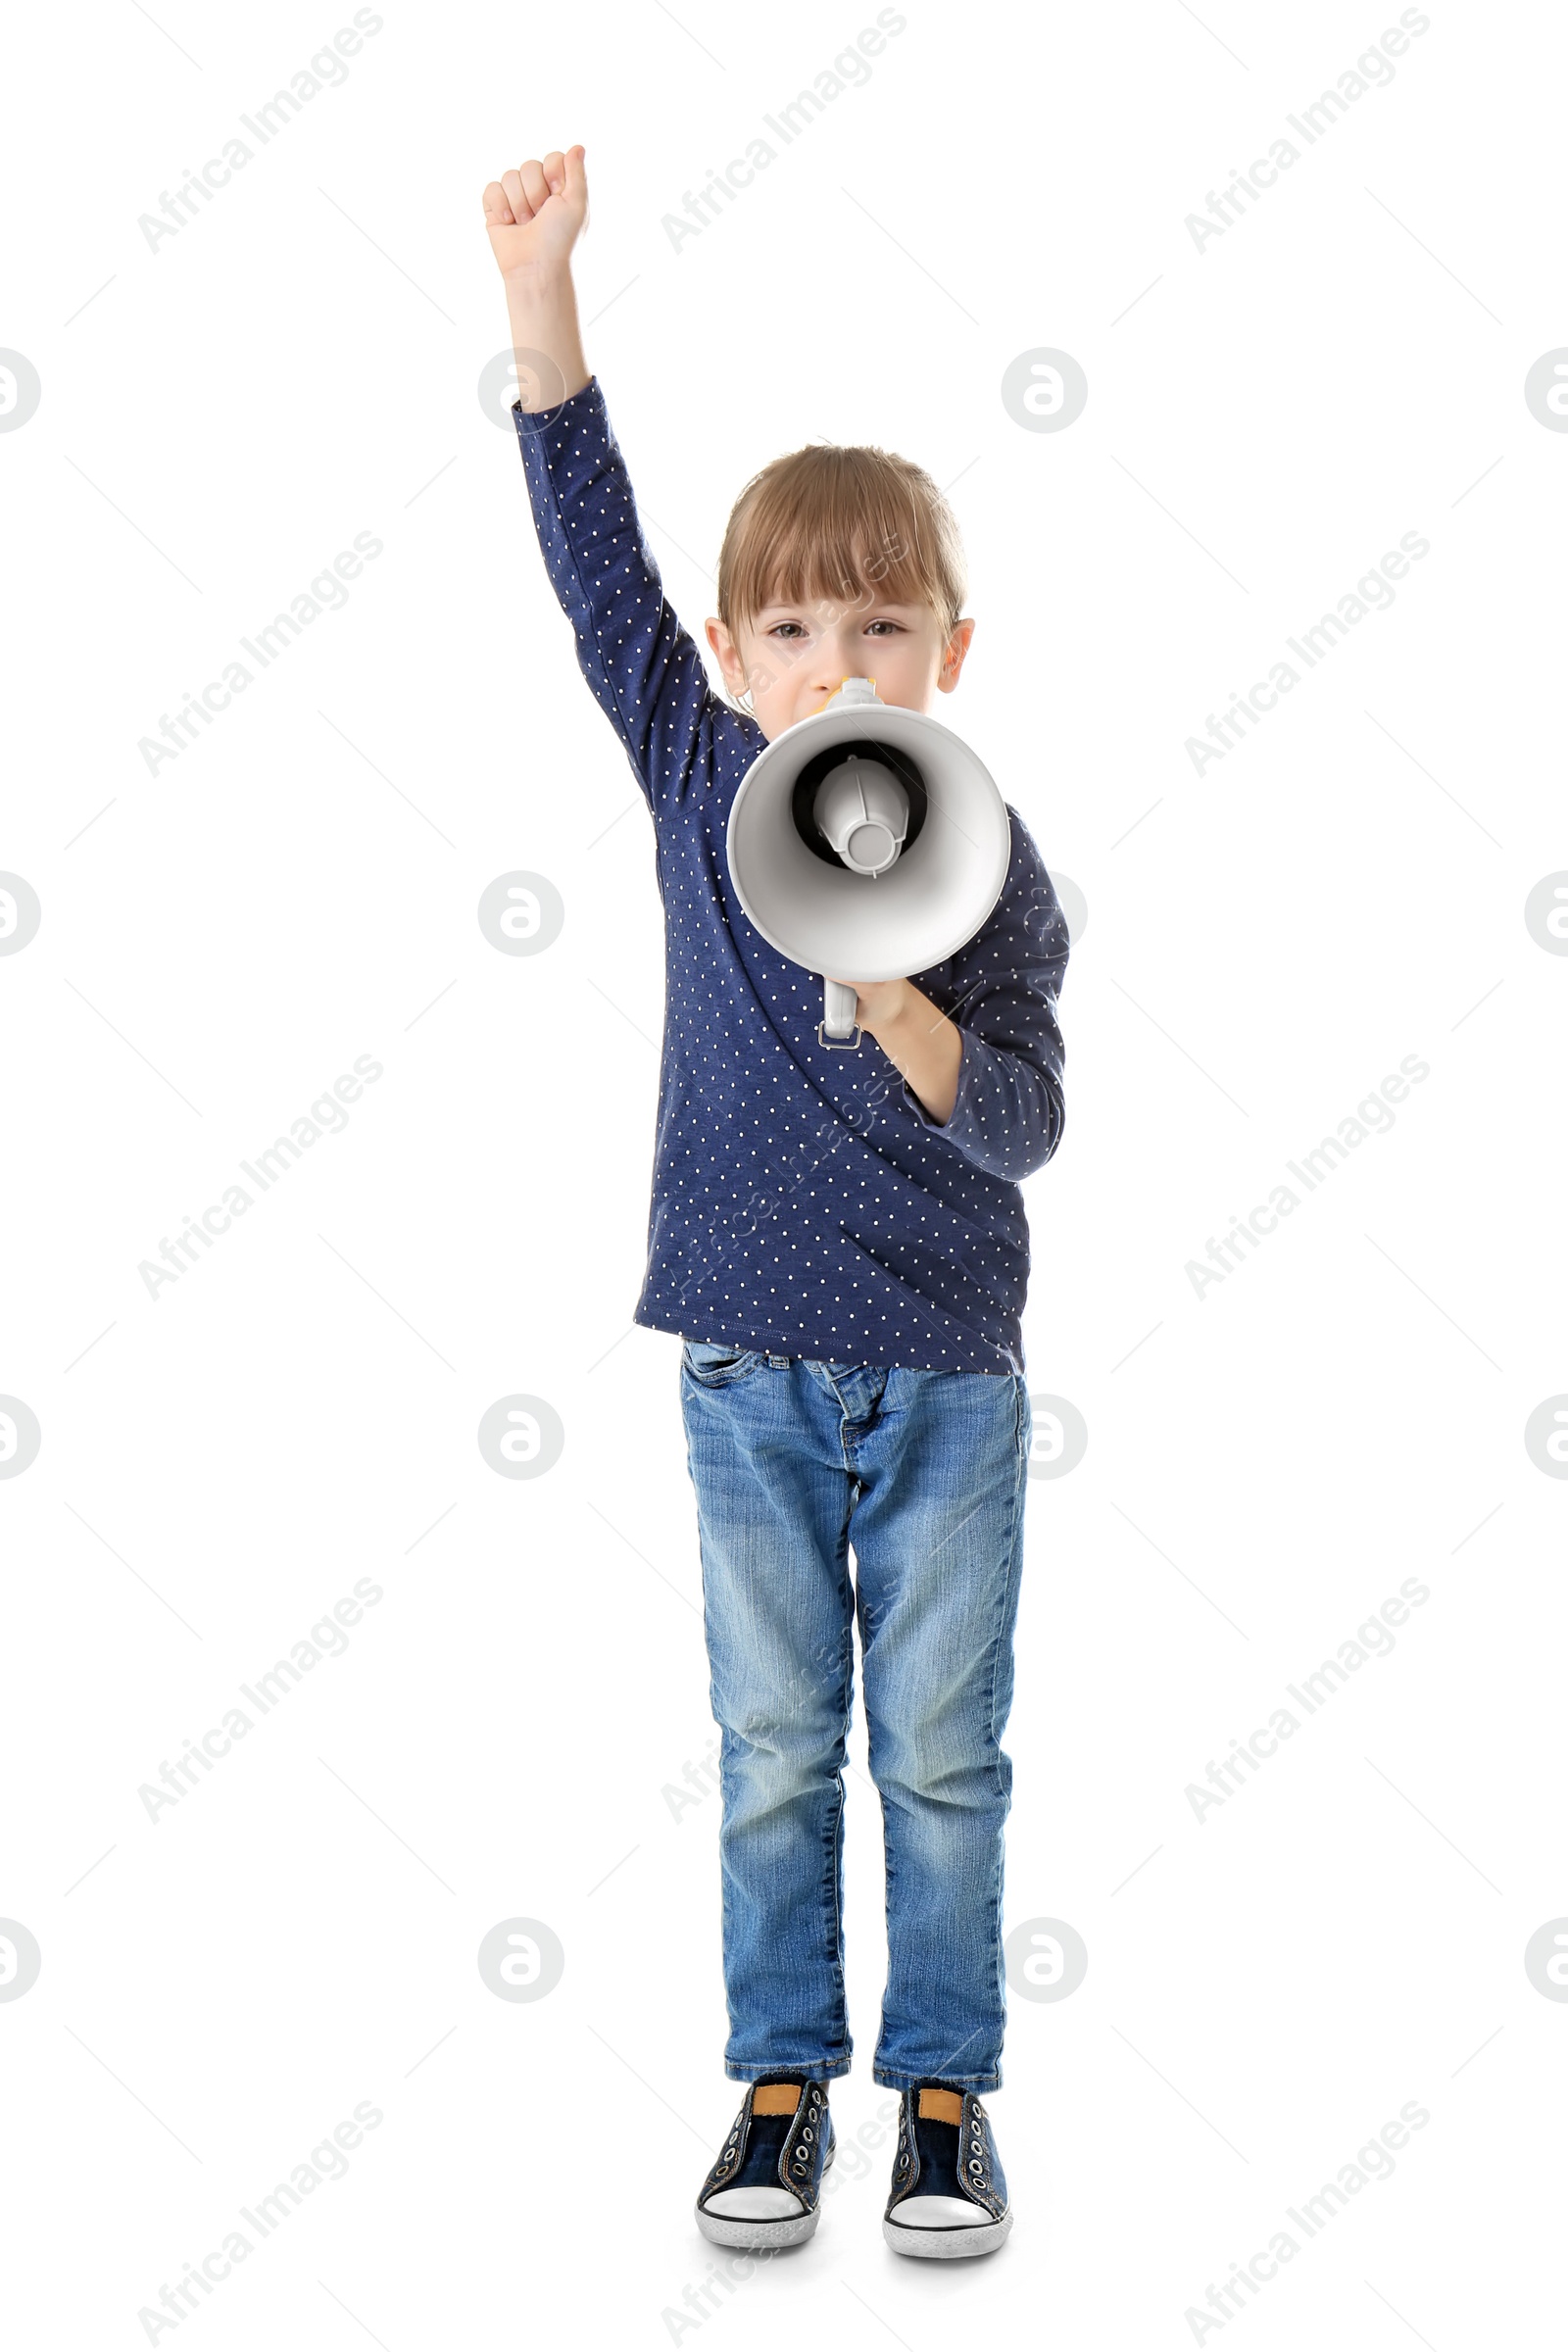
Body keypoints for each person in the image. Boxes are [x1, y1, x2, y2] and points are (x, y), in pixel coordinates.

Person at [483, 145, 1069, 2261]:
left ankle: (940, 2097)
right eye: (792, 628)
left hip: (946, 1384)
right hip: (739, 1358)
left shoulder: (993, 876)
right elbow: (587, 558)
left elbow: (1016, 1128)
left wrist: (897, 996)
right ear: (733, 658)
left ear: (945, 653)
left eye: (878, 626)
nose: (833, 665)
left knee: (933, 1754)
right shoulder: (683, 769)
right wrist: (542, 300)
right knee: (764, 1750)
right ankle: (774, 2088)